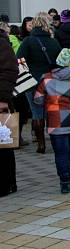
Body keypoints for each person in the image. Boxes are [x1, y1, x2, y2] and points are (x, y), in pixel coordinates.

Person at [33, 48, 70, 193]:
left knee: (61, 152)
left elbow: (38, 100)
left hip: (56, 119)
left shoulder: (47, 79)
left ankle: (65, 181)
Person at [16, 12, 62, 154]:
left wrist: (28, 75)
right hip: (51, 82)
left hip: (33, 83)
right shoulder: (54, 41)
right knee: (52, 112)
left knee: (37, 113)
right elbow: (59, 62)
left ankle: (41, 144)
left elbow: (19, 61)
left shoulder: (28, 41)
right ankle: (55, 141)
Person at [0, 25, 19, 197]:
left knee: (3, 145)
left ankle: (6, 184)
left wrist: (2, 98)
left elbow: (10, 71)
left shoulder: (2, 43)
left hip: (1, 102)